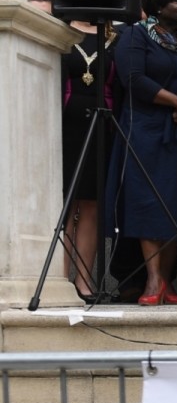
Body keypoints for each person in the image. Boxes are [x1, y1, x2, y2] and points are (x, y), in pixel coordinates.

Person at [108, 0, 177, 305]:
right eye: (176, 0)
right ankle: (152, 280)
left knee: (175, 205)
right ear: (156, 5)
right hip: (146, 131)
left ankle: (167, 281)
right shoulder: (135, 36)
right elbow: (133, 78)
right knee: (148, 203)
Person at [60, 15, 118, 302]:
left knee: (92, 205)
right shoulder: (58, 31)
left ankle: (84, 281)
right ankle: (58, 280)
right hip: (64, 127)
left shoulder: (114, 36)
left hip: (101, 127)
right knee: (67, 204)